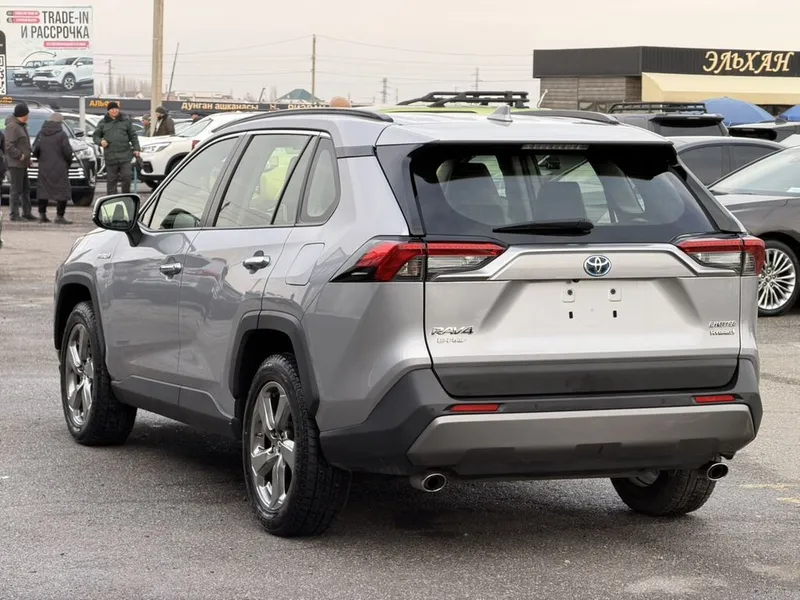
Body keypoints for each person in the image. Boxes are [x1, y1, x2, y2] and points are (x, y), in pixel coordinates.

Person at [32, 113, 73, 224]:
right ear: (60, 122)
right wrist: (68, 162)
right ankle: (59, 216)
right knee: (62, 191)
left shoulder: (41, 133)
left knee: (43, 190)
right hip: (60, 167)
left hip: (44, 166)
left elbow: (35, 150)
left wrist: (41, 159)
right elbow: (67, 151)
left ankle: (42, 215)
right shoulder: (62, 134)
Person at [93, 102, 140, 195]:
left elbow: (133, 136)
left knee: (127, 177)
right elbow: (96, 136)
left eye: (116, 109)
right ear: (108, 111)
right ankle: (112, 198)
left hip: (125, 156)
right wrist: (101, 142)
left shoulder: (125, 121)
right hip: (111, 156)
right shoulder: (103, 123)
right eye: (112, 109)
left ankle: (126, 196)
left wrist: (136, 148)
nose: (114, 111)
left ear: (118, 110)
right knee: (111, 180)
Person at [4, 102, 36, 221]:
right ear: (22, 115)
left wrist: (28, 158)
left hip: (23, 163)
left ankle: (27, 213)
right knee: (16, 190)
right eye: (27, 114)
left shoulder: (21, 125)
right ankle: (14, 214)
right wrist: (20, 155)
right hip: (16, 164)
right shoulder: (12, 126)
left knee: (25, 189)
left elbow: (24, 145)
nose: (28, 116)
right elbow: (8, 145)